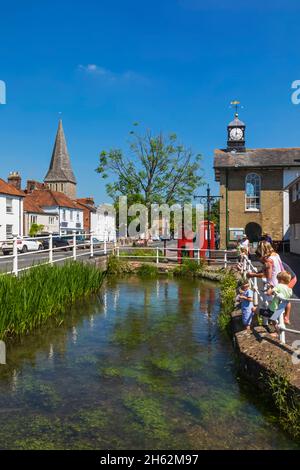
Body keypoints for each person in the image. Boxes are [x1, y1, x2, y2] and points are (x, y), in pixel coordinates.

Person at [247, 241, 296, 325]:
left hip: (274, 285)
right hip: (281, 283)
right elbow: (279, 268)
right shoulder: (276, 255)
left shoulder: (268, 260)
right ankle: (283, 322)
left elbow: (268, 276)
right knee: (282, 304)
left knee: (272, 310)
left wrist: (260, 271)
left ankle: (276, 328)